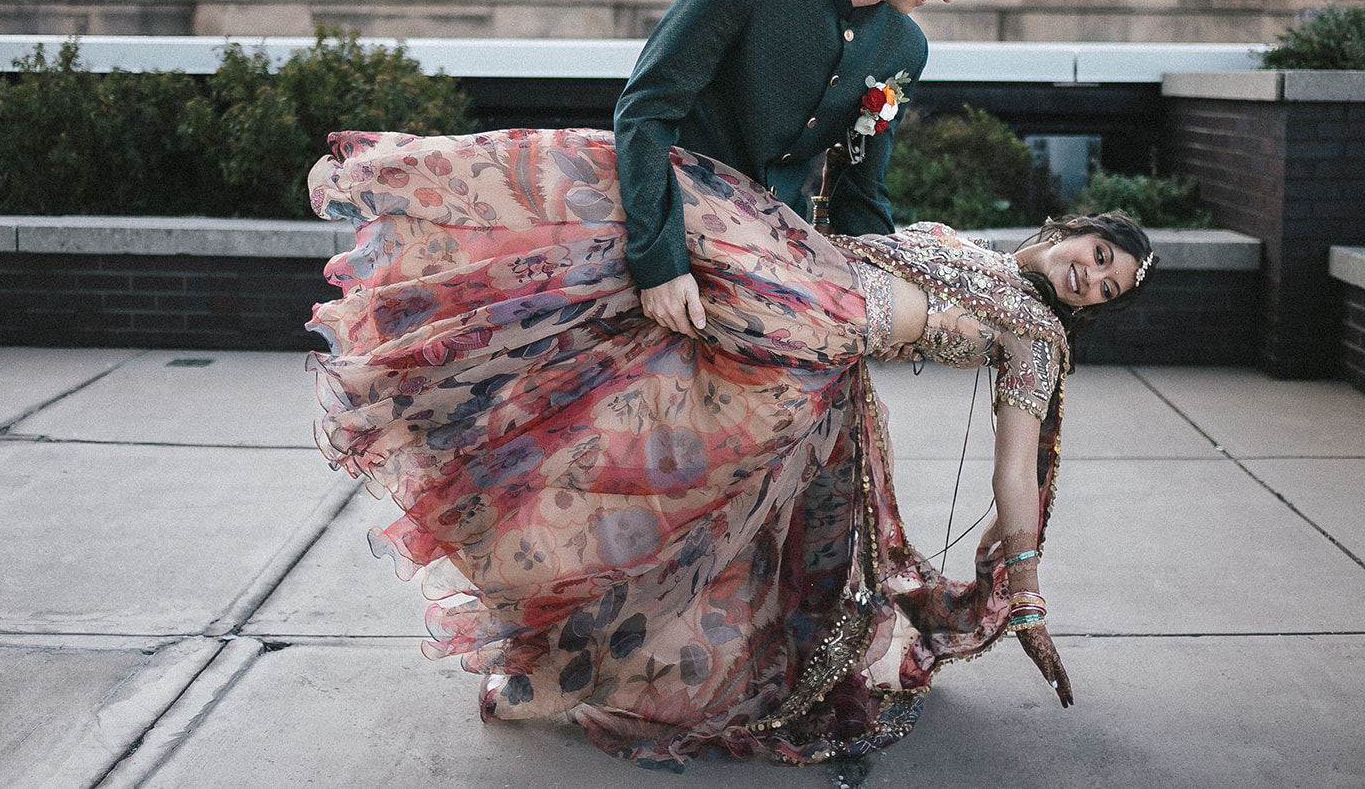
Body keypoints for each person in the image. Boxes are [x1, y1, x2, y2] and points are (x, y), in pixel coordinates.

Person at [306, 126, 1156, 770]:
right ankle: (437, 328)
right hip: (793, 282)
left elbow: (1015, 470)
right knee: (616, 269)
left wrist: (1030, 597)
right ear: (1075, 227)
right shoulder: (975, 252)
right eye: (1102, 255)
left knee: (691, 501)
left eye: (1109, 289)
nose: (1094, 277)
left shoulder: (1039, 339)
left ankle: (585, 625)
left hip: (808, 330)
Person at [613, 0, 1006, 340]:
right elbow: (646, 111)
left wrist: (879, 302)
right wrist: (660, 267)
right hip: (670, 245)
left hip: (775, 263)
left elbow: (862, 188)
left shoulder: (906, 47)